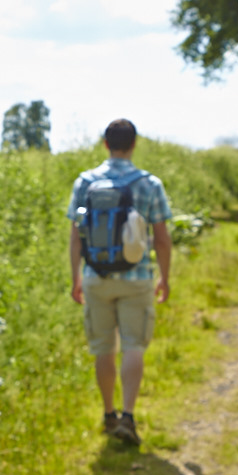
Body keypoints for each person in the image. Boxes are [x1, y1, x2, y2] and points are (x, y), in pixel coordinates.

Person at [68, 118, 172, 446]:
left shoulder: (85, 182)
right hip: (136, 279)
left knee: (103, 349)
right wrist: (165, 277)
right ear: (134, 144)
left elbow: (76, 236)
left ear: (105, 144)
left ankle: (108, 414)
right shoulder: (149, 184)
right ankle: (128, 415)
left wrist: (76, 277)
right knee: (133, 346)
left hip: (95, 277)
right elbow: (162, 238)